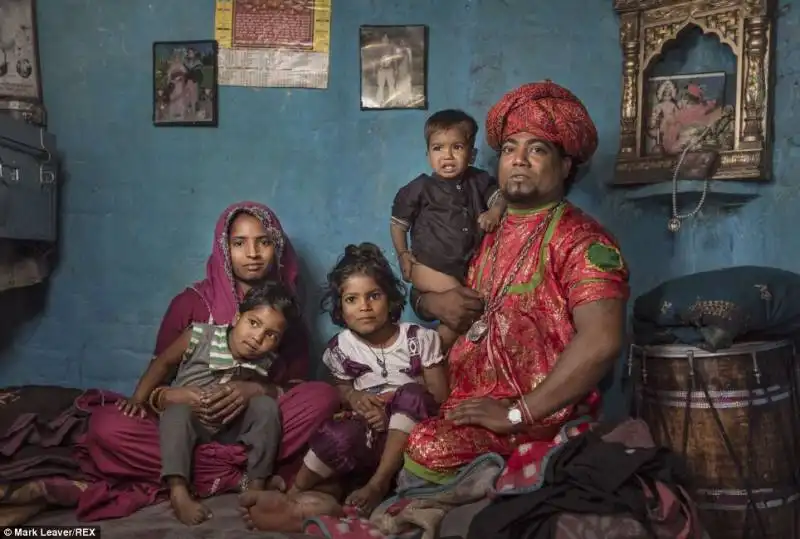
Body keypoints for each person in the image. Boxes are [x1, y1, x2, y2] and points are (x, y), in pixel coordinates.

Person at [399, 80, 630, 483]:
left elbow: (602, 341)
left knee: (426, 448)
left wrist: (516, 413)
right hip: (464, 401)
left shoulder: (581, 240)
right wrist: (432, 304)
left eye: (536, 149)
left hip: (533, 418)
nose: (518, 160)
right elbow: (429, 291)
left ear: (565, 165)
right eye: (509, 149)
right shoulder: (487, 231)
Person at [75, 202, 340, 522]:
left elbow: (295, 388)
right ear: (223, 248)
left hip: (248, 428)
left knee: (322, 397)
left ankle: (211, 472)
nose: (253, 253)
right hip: (188, 419)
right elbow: (160, 373)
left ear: (278, 247)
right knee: (106, 426)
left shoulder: (286, 318)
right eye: (239, 243)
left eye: (264, 242)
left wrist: (255, 391)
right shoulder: (191, 305)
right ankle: (227, 475)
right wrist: (171, 396)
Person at [239, 243, 448, 531]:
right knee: (337, 434)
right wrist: (354, 396)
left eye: (373, 296)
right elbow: (337, 391)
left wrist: (390, 404)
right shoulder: (341, 348)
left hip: (409, 437)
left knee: (411, 394)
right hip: (367, 439)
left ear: (390, 298)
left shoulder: (418, 339)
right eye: (352, 299)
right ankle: (294, 496)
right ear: (340, 306)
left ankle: (378, 484)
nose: (364, 307)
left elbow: (439, 396)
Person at [118, 284, 296, 525]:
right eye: (253, 323)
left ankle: (256, 485)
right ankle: (178, 490)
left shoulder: (267, 362)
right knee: (176, 413)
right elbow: (162, 363)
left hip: (228, 427)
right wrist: (138, 398)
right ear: (237, 317)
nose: (258, 338)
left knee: (267, 407)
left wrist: (258, 391)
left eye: (271, 335)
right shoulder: (199, 336)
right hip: (189, 419)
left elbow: (285, 390)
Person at [390, 109, 506, 349]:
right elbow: (398, 224)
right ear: (428, 154)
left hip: (463, 270)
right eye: (438, 148)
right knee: (468, 306)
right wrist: (403, 254)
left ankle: (431, 357)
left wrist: (494, 212)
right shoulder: (420, 188)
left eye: (457, 147)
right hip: (430, 268)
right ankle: (431, 356)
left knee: (456, 324)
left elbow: (500, 198)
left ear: (471, 154)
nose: (448, 156)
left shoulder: (479, 181)